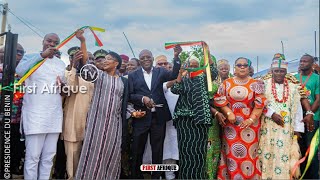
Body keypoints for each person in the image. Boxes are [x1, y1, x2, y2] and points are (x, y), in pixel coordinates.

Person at [16, 33, 66, 179]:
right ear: (42, 41)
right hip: (35, 113)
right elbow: (19, 72)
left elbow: (63, 89)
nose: (51, 44)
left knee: (49, 156)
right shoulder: (31, 57)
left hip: (54, 114)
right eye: (49, 41)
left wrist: (64, 88)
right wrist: (42, 56)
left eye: (55, 42)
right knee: (33, 156)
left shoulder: (60, 63)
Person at [128, 46, 181, 179]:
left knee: (158, 151)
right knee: (137, 150)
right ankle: (136, 176)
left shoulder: (160, 71)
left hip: (159, 118)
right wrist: (142, 99)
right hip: (141, 118)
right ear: (139, 61)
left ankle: (156, 176)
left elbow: (173, 75)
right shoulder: (133, 75)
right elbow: (130, 95)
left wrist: (176, 57)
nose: (146, 59)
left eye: (148, 57)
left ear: (152, 59)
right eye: (142, 58)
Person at [75, 50, 129, 179]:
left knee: (111, 154)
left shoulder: (123, 82)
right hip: (96, 124)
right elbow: (86, 65)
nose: (105, 61)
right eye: (104, 58)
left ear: (116, 63)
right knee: (92, 152)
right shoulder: (99, 75)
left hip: (114, 125)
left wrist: (133, 112)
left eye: (108, 59)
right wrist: (82, 40)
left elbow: (125, 102)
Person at [214, 57, 266, 179]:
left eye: (245, 65)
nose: (242, 67)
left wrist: (251, 119)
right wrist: (228, 113)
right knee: (231, 155)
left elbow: (260, 103)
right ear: (234, 68)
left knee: (249, 154)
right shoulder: (227, 83)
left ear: (249, 68)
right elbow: (219, 99)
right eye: (239, 65)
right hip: (231, 126)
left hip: (250, 127)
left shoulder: (256, 84)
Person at [171, 54, 218, 179]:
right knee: (185, 151)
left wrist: (207, 53)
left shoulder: (204, 78)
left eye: (195, 66)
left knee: (199, 151)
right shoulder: (184, 79)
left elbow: (213, 72)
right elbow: (175, 89)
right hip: (184, 121)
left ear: (200, 67)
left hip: (201, 119)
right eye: (190, 66)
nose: (193, 68)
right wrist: (180, 73)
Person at [258, 54, 304, 179]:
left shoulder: (293, 87)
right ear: (272, 71)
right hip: (268, 127)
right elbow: (258, 103)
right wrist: (271, 114)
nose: (279, 74)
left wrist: (297, 129)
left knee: (284, 154)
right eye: (276, 71)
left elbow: (297, 109)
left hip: (286, 128)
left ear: (286, 72)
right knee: (268, 152)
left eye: (282, 71)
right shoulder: (263, 85)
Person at [62, 30, 94, 180]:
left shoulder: (94, 77)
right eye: (74, 57)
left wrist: (83, 41)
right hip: (72, 124)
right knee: (72, 162)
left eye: (83, 57)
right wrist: (74, 66)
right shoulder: (66, 74)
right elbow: (68, 87)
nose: (80, 59)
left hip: (90, 125)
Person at [0, 43, 25, 175]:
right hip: (2, 117)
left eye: (21, 52)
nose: (19, 55)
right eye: (17, 52)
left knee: (15, 146)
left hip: (18, 118)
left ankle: (12, 168)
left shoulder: (23, 72)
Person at [295, 54, 319, 179]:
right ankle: (301, 175)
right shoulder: (293, 78)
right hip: (297, 119)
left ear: (312, 64)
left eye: (305, 61)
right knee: (299, 148)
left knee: (311, 150)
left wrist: (310, 114)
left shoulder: (317, 78)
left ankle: (313, 177)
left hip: (313, 118)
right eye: (301, 61)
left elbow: (318, 99)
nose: (302, 63)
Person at [206, 59, 231, 179]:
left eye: (226, 67)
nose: (224, 69)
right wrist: (216, 113)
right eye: (221, 68)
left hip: (231, 120)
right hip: (214, 120)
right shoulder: (212, 84)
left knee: (228, 146)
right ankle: (211, 174)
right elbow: (207, 101)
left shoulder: (233, 82)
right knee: (213, 146)